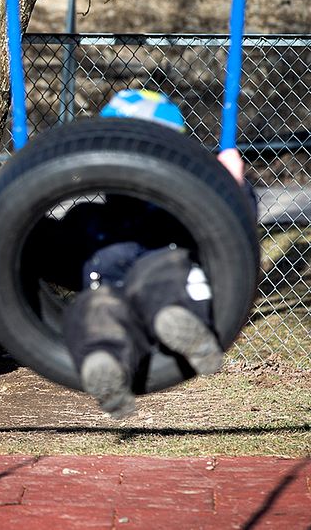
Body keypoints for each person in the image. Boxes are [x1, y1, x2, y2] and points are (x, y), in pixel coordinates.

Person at [36, 89, 253, 419]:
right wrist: (19, 212)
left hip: (145, 273)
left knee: (138, 290)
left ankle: (177, 324)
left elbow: (231, 231)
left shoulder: (180, 212)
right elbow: (47, 250)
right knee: (101, 308)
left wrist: (232, 185)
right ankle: (106, 366)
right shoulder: (90, 220)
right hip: (119, 283)